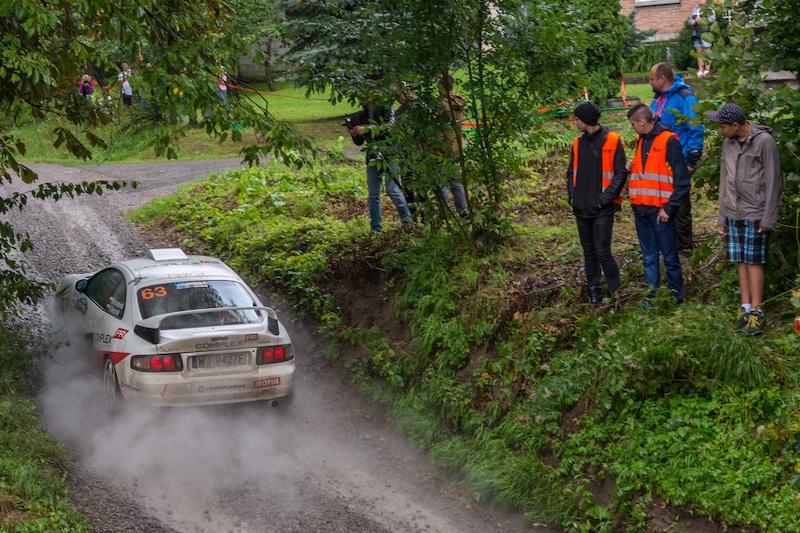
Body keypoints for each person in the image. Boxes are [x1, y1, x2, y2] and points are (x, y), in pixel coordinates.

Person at [707, 103, 782, 335]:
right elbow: (724, 181)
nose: (720, 130)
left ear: (736, 125)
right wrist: (722, 216)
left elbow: (773, 181)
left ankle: (757, 312)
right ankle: (745, 308)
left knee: (754, 261)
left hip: (756, 212)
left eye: (722, 126)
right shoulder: (727, 145)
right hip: (733, 212)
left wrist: (768, 218)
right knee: (741, 259)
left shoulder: (764, 142)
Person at [626, 103, 690, 304]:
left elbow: (682, 181)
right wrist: (632, 165)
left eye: (633, 124)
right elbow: (647, 172)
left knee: (670, 258)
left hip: (660, 212)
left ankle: (675, 298)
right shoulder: (640, 140)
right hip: (641, 210)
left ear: (643, 121)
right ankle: (650, 298)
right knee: (649, 258)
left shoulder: (668, 141)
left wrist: (668, 209)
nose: (632, 127)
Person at [566, 102, 627, 307]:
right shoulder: (577, 143)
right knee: (588, 251)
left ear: (586, 120)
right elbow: (570, 173)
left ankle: (615, 292)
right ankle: (594, 292)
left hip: (602, 208)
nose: (575, 122)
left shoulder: (613, 140)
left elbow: (620, 173)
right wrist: (572, 197)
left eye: (577, 119)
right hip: (581, 207)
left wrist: (605, 199)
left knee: (602, 251)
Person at [649, 62, 704, 256]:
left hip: (678, 161)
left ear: (662, 79)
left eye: (652, 79)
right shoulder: (658, 99)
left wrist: (691, 161)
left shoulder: (685, 98)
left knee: (680, 206)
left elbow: (695, 129)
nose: (650, 82)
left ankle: (684, 249)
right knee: (663, 204)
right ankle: (667, 246)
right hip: (659, 162)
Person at [344, 98, 413, 233]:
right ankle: (376, 229)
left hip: (389, 152)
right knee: (373, 193)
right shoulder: (361, 115)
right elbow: (359, 142)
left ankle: (407, 221)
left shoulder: (386, 108)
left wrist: (366, 128)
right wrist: (354, 133)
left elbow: (389, 126)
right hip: (372, 155)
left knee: (392, 190)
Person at [435, 74, 469, 217]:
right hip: (456, 146)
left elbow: (436, 128)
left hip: (442, 148)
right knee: (455, 182)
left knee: (441, 181)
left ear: (441, 86)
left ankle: (444, 212)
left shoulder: (441, 105)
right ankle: (463, 210)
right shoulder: (458, 100)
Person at [690, 0, 716, 77]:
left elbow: (712, 19)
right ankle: (700, 70)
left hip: (706, 33)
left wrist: (701, 20)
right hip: (696, 33)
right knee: (699, 52)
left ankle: (707, 69)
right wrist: (693, 21)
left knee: (707, 51)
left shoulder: (710, 9)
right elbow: (690, 20)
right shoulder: (695, 9)